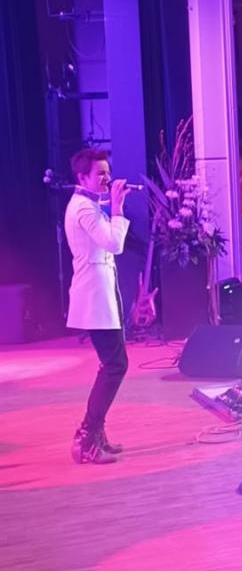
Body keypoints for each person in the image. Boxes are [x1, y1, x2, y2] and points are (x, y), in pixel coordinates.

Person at [65, 148, 130, 464]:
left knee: (113, 364)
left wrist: (112, 205)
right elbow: (113, 244)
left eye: (108, 172)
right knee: (115, 365)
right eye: (100, 173)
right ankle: (86, 439)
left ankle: (95, 433)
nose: (107, 178)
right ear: (82, 177)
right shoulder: (83, 209)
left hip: (101, 294)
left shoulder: (88, 204)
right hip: (94, 297)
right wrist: (117, 207)